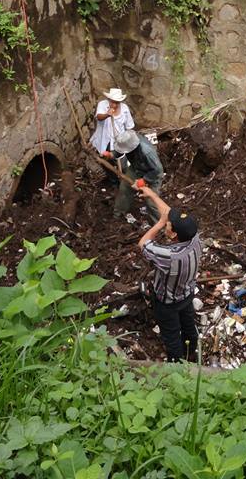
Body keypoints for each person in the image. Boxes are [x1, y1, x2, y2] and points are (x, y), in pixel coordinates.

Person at [136, 184, 201, 362]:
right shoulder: (194, 238)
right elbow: (168, 212)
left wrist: (159, 224)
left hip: (167, 303)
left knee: (172, 336)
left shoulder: (170, 256)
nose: (166, 224)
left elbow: (143, 244)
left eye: (168, 225)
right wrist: (151, 194)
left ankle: (177, 364)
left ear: (172, 234)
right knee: (189, 328)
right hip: (186, 295)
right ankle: (192, 354)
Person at [111, 129, 164, 220]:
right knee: (125, 188)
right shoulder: (129, 141)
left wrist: (144, 180)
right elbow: (121, 149)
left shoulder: (147, 152)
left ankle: (160, 225)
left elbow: (158, 170)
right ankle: (118, 214)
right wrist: (111, 154)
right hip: (136, 168)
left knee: (151, 201)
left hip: (152, 173)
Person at [89, 88, 134, 155]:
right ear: (109, 99)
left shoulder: (124, 108)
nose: (115, 105)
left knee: (118, 159)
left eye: (117, 102)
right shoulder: (102, 104)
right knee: (104, 155)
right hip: (103, 139)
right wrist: (107, 114)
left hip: (118, 141)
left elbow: (129, 126)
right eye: (113, 101)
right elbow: (99, 117)